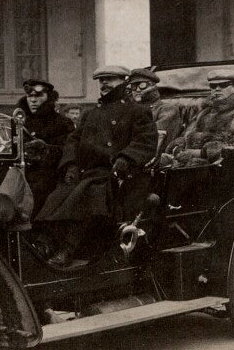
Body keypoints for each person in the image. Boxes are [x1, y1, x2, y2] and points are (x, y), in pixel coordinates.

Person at [35, 65, 158, 267]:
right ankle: (45, 243)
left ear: (124, 82)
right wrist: (71, 163)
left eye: (110, 79)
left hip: (119, 174)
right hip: (88, 172)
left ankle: (68, 248)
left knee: (88, 192)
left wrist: (126, 158)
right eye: (101, 80)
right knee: (58, 193)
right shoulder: (90, 114)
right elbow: (73, 141)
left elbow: (145, 142)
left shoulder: (137, 111)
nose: (105, 84)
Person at [166, 69, 234, 166]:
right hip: (187, 159)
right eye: (213, 86)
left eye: (223, 85)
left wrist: (201, 153)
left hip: (222, 164)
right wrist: (177, 148)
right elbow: (187, 134)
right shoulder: (205, 111)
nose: (217, 89)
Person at [15, 79, 75, 214]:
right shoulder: (20, 122)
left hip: (49, 181)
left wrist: (45, 149)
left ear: (49, 97)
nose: (33, 100)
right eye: (30, 96)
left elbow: (69, 152)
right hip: (21, 178)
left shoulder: (62, 123)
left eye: (38, 96)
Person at [128, 67, 183, 152]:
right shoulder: (130, 109)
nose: (137, 90)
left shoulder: (167, 109)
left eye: (142, 85)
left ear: (153, 86)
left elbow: (153, 138)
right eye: (134, 86)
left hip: (155, 156)